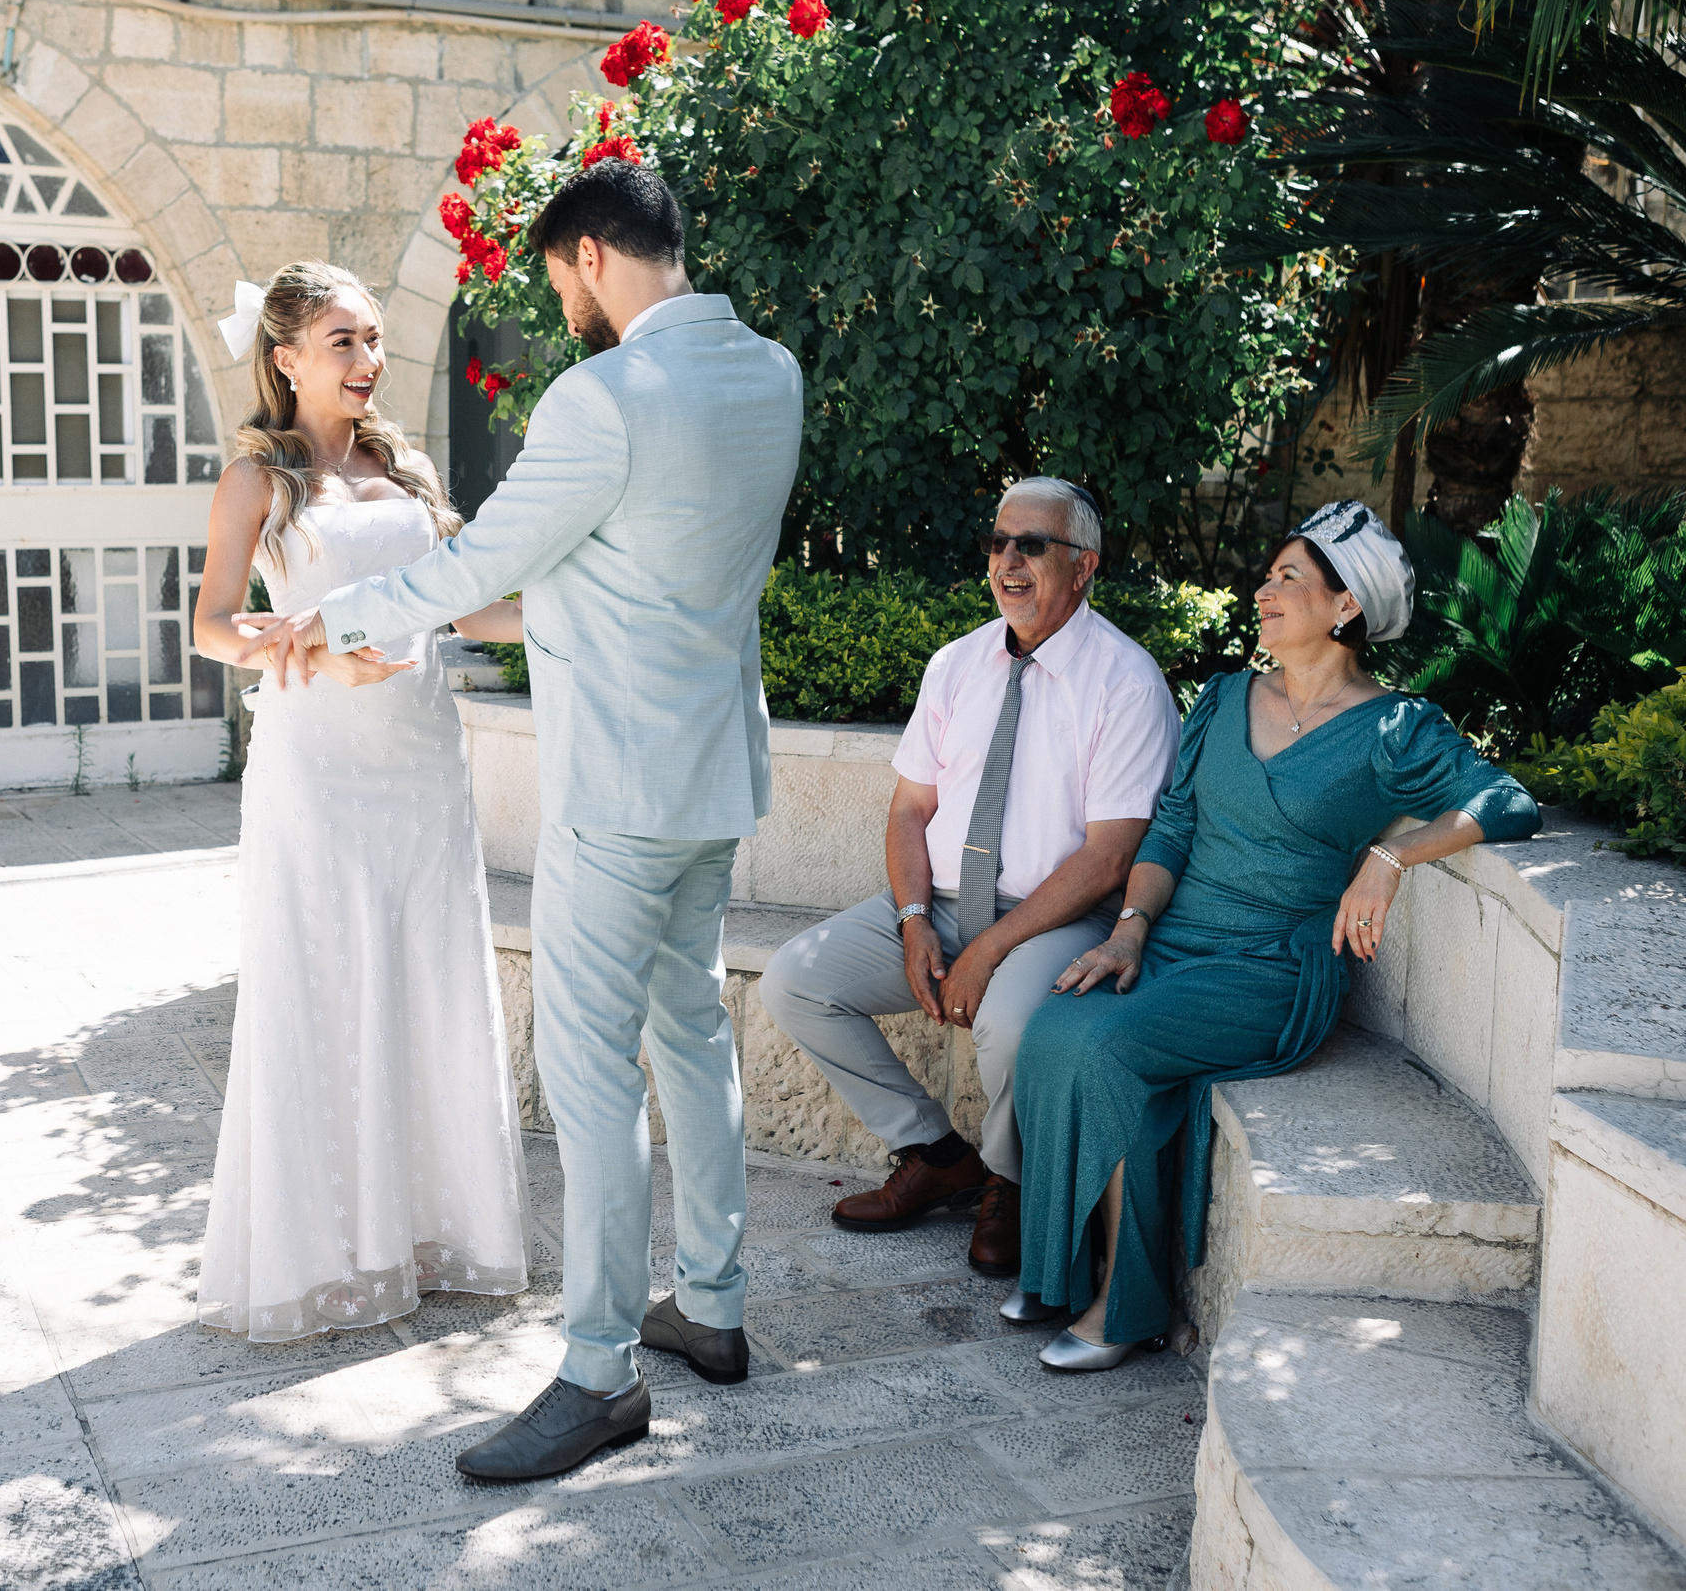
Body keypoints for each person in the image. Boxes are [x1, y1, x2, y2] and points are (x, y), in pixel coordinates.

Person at [254, 158, 803, 1481]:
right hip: (716, 771)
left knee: (594, 1070)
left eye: (562, 280)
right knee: (690, 1029)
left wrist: (335, 617)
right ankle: (714, 1306)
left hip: (617, 789)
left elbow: (484, 561)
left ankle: (598, 1366)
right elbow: (649, 570)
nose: (566, 306)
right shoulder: (772, 374)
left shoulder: (606, 394)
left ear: (595, 256)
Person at [1012, 500, 1541, 1371]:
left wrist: (1392, 854)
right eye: (1268, 573)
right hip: (1174, 939)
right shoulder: (1224, 698)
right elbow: (1174, 824)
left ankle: (1122, 1308)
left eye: (1289, 577)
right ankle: (1066, 1273)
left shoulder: (1393, 729)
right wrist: (1132, 929)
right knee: (1054, 1028)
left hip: (1272, 966)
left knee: (1105, 1047)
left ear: (1345, 608)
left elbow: (1508, 800)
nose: (1264, 588)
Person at [188, 260, 531, 1343]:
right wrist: (322, 658)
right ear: (285, 358)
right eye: (345, 342)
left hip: (419, 762)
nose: (369, 362)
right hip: (317, 768)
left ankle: (429, 1237)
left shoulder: (409, 471)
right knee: (327, 985)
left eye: (374, 339)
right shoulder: (259, 479)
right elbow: (209, 625)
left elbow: (466, 606)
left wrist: (587, 615)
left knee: (424, 979)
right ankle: (327, 1256)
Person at [758, 478, 1178, 1295]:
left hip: (1052, 913)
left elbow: (1108, 857)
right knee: (795, 980)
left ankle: (1011, 1186)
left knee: (1014, 1022)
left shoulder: (1126, 681)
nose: (1008, 561)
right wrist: (915, 919)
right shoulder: (956, 664)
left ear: (1084, 566)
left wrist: (988, 948)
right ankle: (935, 1153)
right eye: (998, 543)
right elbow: (911, 809)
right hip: (940, 904)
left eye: (1032, 545)